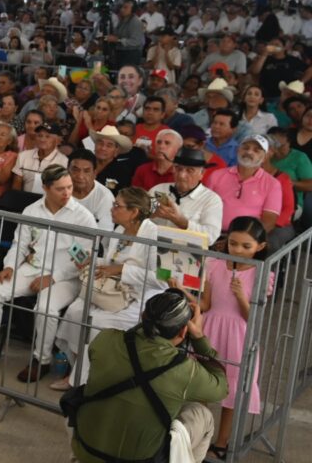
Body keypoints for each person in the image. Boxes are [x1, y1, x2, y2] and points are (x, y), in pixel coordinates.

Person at [69, 289, 228, 463]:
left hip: (85, 449)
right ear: (184, 332)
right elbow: (221, 387)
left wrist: (150, 323)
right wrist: (198, 337)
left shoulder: (105, 339)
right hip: (139, 460)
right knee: (203, 415)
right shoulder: (184, 370)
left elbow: (131, 345)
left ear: (143, 316)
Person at [0, 165, 96, 382]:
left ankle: (42, 359)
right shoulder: (32, 210)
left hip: (66, 277)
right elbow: (20, 243)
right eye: (60, 189)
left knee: (46, 308)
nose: (67, 193)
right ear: (46, 188)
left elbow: (82, 258)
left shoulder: (83, 217)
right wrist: (9, 266)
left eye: (69, 187)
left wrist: (53, 277)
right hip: (32, 268)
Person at [54, 187, 164, 390]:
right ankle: (76, 371)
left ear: (134, 212)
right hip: (110, 289)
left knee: (95, 321)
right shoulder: (120, 230)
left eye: (117, 206)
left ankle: (83, 383)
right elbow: (112, 260)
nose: (112, 209)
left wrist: (122, 270)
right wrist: (92, 261)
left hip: (137, 296)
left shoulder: (154, 234)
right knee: (75, 311)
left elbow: (161, 279)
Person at [202, 216, 277, 459]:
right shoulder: (214, 264)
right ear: (226, 242)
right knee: (202, 383)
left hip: (238, 335)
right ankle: (198, 436)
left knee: (231, 389)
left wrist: (242, 298)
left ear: (260, 247)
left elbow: (252, 317)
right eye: (233, 244)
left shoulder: (261, 273)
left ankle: (221, 441)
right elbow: (206, 303)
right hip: (211, 328)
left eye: (246, 246)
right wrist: (182, 290)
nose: (238, 250)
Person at [206, 134, 281, 234]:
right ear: (238, 150)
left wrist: (240, 239)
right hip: (211, 233)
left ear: (265, 157)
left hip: (246, 241)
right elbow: (203, 206)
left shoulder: (272, 184)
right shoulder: (217, 175)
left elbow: (269, 221)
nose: (249, 152)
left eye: (256, 150)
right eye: (245, 148)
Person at [148, 148, 225, 245]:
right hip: (152, 249)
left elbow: (210, 237)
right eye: (178, 169)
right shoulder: (157, 191)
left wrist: (182, 222)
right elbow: (141, 219)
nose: (182, 175)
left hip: (187, 255)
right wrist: (151, 214)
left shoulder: (211, 200)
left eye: (190, 170)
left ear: (202, 173)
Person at [11, 121, 68, 194]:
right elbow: (16, 185)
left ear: (58, 140)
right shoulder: (23, 156)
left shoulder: (64, 162)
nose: (42, 140)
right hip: (25, 199)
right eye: (40, 135)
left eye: (47, 136)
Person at [68, 150, 113, 230]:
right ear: (67, 171)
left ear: (95, 173)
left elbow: (104, 232)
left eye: (86, 171)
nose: (80, 176)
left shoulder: (105, 196)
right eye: (75, 170)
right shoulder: (56, 189)